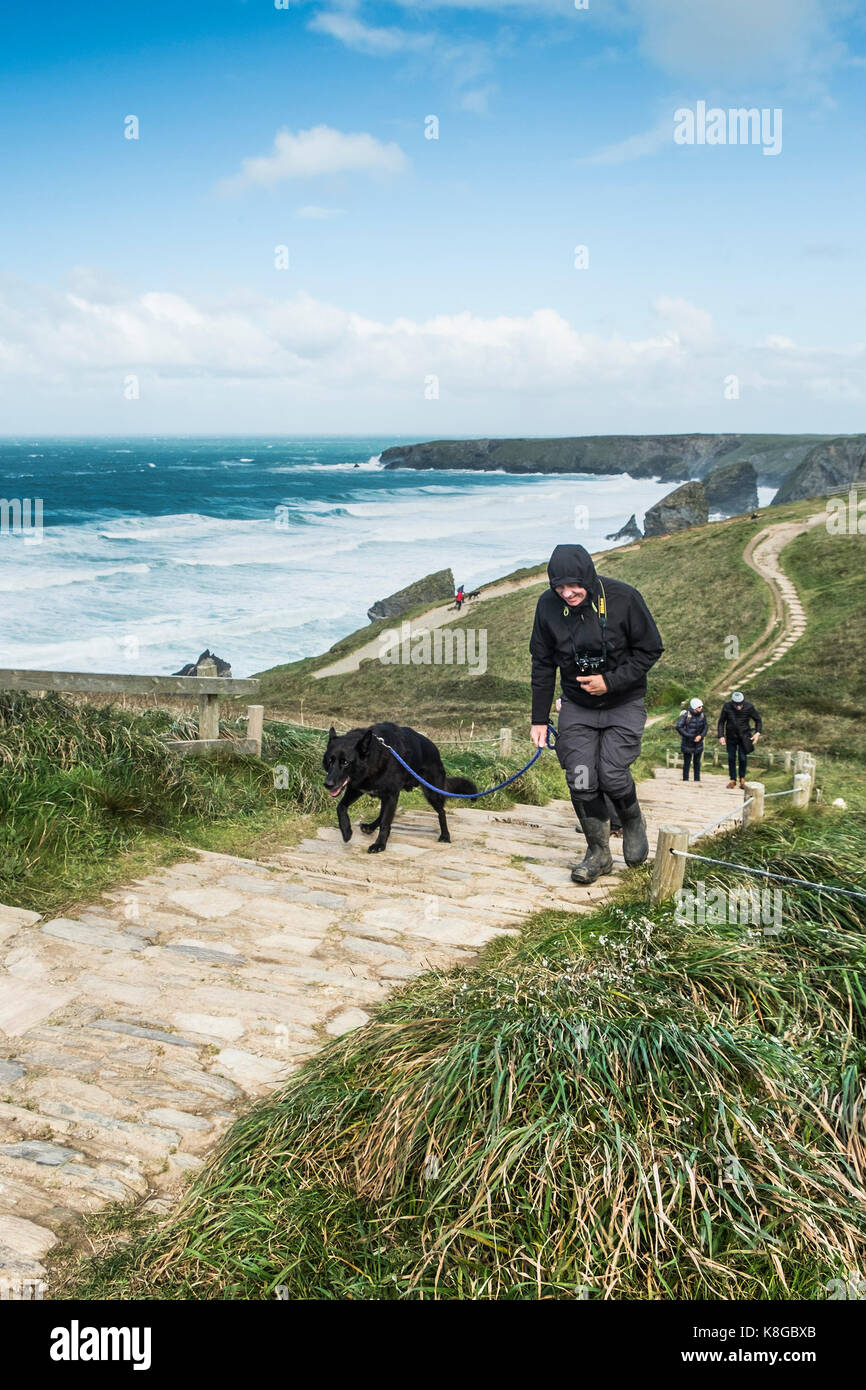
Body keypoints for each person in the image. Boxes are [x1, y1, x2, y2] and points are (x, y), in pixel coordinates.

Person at [530, 543, 664, 884]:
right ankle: (598, 854)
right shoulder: (547, 607)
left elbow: (651, 648)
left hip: (624, 702)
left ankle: (632, 820)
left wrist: (610, 681)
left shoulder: (624, 598)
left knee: (612, 773)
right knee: (580, 777)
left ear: (588, 577)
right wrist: (539, 718)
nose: (567, 593)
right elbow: (543, 663)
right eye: (558, 587)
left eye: (573, 585)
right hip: (577, 705)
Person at [717, 690, 762, 789]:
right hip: (731, 736)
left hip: (744, 737)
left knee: (742, 758)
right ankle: (732, 780)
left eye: (740, 704)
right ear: (733, 703)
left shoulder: (749, 707)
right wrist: (721, 736)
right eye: (736, 705)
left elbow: (758, 720)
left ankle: (742, 778)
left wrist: (757, 733)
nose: (738, 706)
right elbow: (721, 722)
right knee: (731, 758)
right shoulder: (727, 706)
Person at [675, 698, 707, 782]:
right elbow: (678, 727)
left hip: (698, 743)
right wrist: (689, 736)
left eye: (701, 706)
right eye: (699, 707)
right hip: (687, 743)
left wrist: (701, 736)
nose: (701, 708)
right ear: (694, 707)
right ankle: (685, 780)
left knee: (697, 763)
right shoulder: (686, 715)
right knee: (687, 763)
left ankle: (697, 780)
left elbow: (706, 727)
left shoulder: (702, 715)